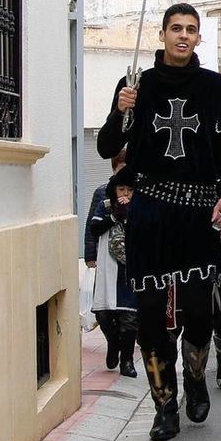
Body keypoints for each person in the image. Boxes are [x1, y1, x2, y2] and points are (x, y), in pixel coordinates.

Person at [97, 3, 221, 441]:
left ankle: (194, 378)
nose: (183, 36)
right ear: (163, 33)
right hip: (150, 209)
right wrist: (118, 110)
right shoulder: (137, 85)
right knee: (149, 313)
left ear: (198, 37)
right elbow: (108, 146)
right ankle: (164, 405)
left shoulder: (215, 87)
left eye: (191, 30)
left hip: (198, 211)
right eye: (176, 29)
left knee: (200, 311)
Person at [84, 161, 138, 379]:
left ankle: (126, 361)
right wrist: (115, 216)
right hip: (108, 268)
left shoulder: (139, 208)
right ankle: (112, 343)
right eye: (121, 189)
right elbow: (94, 228)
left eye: (129, 190)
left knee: (129, 316)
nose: (125, 193)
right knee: (104, 314)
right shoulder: (105, 206)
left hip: (129, 269)